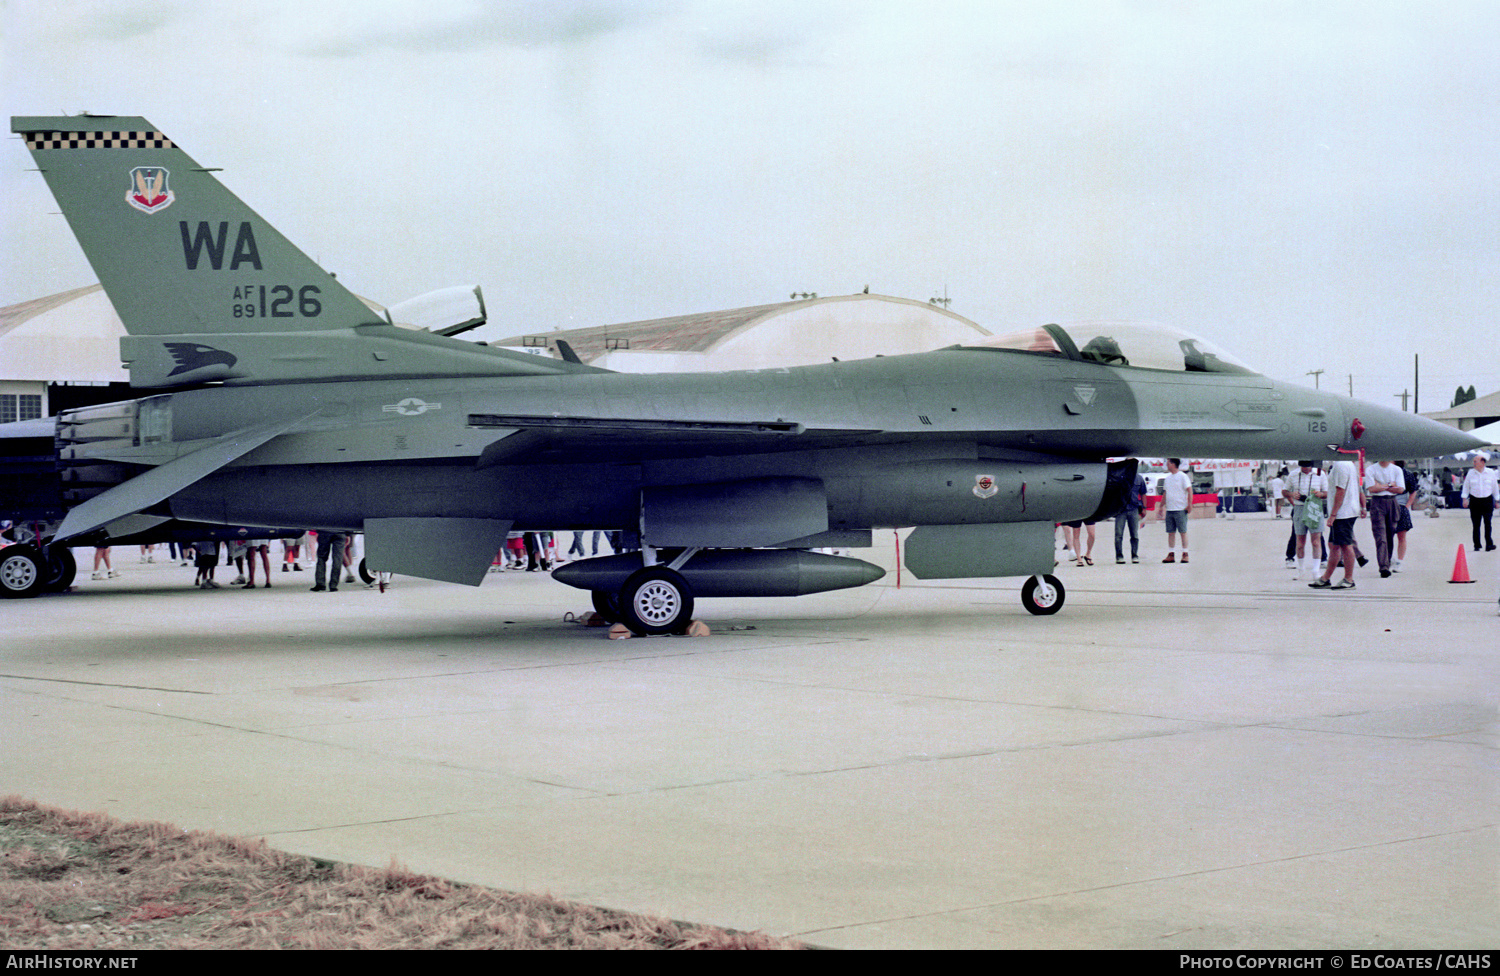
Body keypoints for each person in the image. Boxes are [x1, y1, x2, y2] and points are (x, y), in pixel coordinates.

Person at [1310, 458, 1362, 590]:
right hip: (1345, 510)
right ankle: (1325, 578)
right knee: (1334, 545)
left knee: (1345, 545)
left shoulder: (1341, 465)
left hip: (1343, 512)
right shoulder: (1348, 463)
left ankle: (1349, 579)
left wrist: (1333, 514)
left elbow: (1340, 490)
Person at [1283, 461, 1327, 577]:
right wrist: (1292, 494)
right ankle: (1301, 569)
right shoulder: (1293, 474)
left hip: (1315, 507)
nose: (1305, 469)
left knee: (1316, 541)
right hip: (1299, 507)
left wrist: (1321, 494)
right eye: (1303, 467)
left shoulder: (1320, 473)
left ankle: (1316, 570)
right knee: (1300, 541)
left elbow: (1327, 492)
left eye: (1307, 467)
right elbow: (1284, 491)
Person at [1364, 458, 1404, 577]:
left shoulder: (1396, 470)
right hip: (1377, 502)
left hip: (1392, 502)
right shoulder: (1371, 469)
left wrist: (1380, 485)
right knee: (1380, 535)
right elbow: (1371, 488)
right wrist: (1391, 485)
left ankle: (1388, 560)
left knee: (1390, 534)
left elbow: (1401, 489)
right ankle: (1383, 566)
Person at [1461, 452, 1497, 552]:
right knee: (1476, 524)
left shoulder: (1490, 472)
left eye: (1475, 461)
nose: (1474, 463)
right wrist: (1464, 499)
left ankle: (1489, 544)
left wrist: (1497, 500)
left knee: (1488, 523)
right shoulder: (1470, 473)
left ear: (1482, 462)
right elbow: (1466, 487)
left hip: (1487, 500)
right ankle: (1477, 545)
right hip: (1475, 501)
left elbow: (1494, 488)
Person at [1161, 458, 1192, 563]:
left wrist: (1189, 504)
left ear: (1173, 464)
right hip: (1170, 509)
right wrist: (1161, 506)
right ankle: (1171, 554)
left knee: (1183, 532)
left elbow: (1189, 490)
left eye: (1168, 463)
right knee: (1171, 532)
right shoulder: (1167, 478)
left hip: (1180, 509)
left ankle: (1185, 553)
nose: (1167, 465)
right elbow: (1165, 493)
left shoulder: (1183, 476)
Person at [1115, 466, 1146, 563]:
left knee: (1134, 535)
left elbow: (1143, 493)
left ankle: (1134, 555)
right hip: (1121, 510)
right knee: (1118, 534)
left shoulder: (1139, 478)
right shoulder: (1120, 478)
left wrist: (1144, 508)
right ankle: (1119, 556)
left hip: (1134, 509)